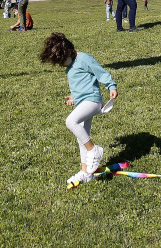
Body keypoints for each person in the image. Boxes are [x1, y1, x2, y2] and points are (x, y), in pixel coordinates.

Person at [40, 32, 117, 188]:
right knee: (82, 137)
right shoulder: (70, 66)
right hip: (83, 102)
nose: (61, 65)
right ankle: (86, 173)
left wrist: (111, 85)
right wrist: (73, 98)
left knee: (70, 121)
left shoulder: (84, 58)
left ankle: (94, 150)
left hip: (93, 101)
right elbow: (82, 85)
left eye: (62, 61)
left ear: (69, 51)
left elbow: (100, 72)